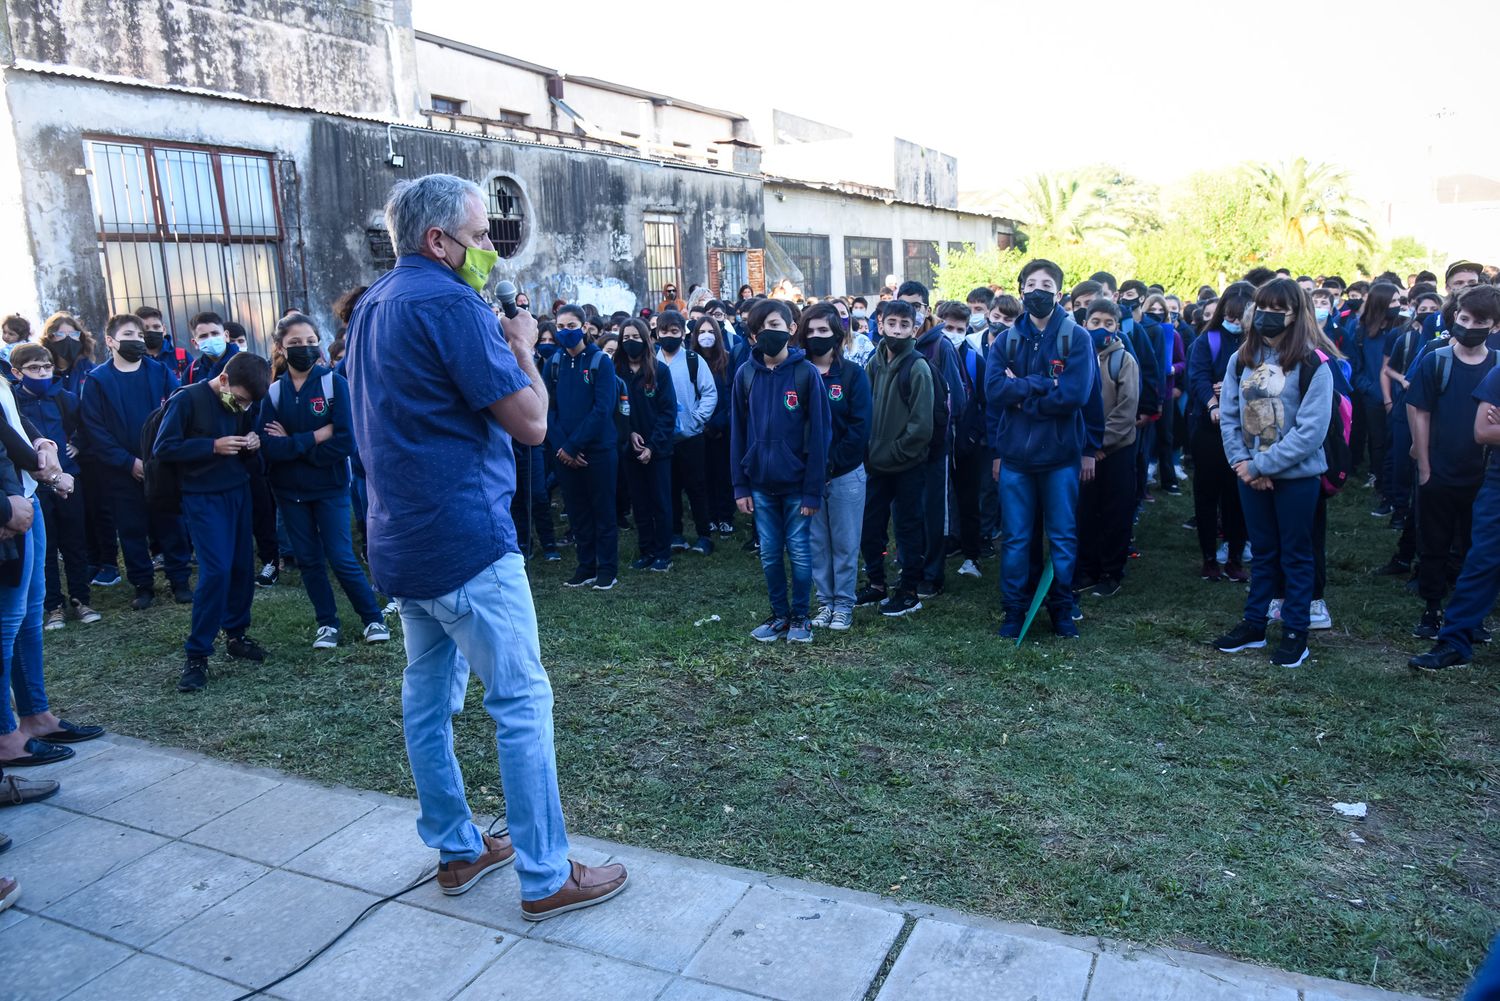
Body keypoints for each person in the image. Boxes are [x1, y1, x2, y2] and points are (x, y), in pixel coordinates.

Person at [345, 174, 626, 917]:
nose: (489, 255)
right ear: (437, 240)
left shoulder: (373, 303)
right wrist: (524, 347)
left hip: (399, 539)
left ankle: (458, 845)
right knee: (522, 700)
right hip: (466, 538)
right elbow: (532, 422)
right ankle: (546, 872)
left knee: (427, 702)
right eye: (478, 238)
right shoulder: (449, 302)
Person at [1212, 278, 1333, 669]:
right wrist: (1242, 464)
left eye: (1279, 309)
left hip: (1295, 477)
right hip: (1248, 472)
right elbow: (1229, 415)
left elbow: (1311, 431)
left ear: (1296, 313)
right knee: (1263, 553)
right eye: (1263, 307)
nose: (1268, 316)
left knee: (1296, 555)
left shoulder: (1314, 364)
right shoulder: (1241, 359)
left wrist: (1263, 465)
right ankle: (1254, 623)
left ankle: (1296, 633)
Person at [255, 312, 390, 649]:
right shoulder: (272, 393)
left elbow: (345, 440)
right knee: (309, 560)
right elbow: (270, 446)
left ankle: (373, 618)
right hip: (289, 491)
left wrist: (295, 444)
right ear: (281, 349)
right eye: (295, 343)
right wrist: (314, 437)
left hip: (329, 488)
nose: (304, 348)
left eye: (310, 342)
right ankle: (327, 623)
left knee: (341, 556)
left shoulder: (334, 384)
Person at [986, 259, 1095, 640]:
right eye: (1031, 284)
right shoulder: (1005, 340)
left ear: (1059, 292)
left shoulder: (1076, 338)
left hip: (1061, 457)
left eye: (1046, 284)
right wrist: (1043, 384)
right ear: (1020, 291)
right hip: (1016, 458)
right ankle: (1014, 609)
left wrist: (1024, 392)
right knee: (1016, 538)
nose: (1038, 291)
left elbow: (1075, 395)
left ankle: (1062, 607)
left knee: (1063, 536)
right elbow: (995, 391)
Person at [0, 368, 103, 770]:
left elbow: (10, 417)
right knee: (7, 620)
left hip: (24, 495)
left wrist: (42, 441)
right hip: (11, 503)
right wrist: (45, 468)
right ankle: (7, 734)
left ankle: (35, 716)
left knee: (29, 611)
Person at [155, 352, 273, 692]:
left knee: (240, 567)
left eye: (248, 403)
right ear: (223, 379)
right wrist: (211, 446)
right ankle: (197, 654)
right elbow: (165, 448)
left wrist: (253, 442)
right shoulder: (187, 399)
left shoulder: (243, 404)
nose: (241, 406)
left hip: (237, 490)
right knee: (216, 570)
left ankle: (236, 634)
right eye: (239, 399)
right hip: (202, 496)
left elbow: (247, 435)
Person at [1408, 287, 1500, 671]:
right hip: (1467, 474)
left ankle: (1464, 627)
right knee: (1471, 555)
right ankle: (1449, 632)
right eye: (1465, 319)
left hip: (1479, 475)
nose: (1471, 327)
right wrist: (1424, 463)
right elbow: (1485, 429)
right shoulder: (1441, 361)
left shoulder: (1493, 361)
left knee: (1472, 552)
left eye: (1481, 322)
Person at [730, 298, 831, 641]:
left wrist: (813, 488)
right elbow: (738, 432)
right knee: (771, 554)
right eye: (760, 329)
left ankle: (801, 616)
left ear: (790, 329)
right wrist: (740, 486)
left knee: (800, 552)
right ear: (753, 336)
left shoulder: (805, 374)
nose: (767, 333)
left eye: (775, 325)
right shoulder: (745, 375)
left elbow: (819, 434)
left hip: (797, 483)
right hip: (760, 483)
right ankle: (779, 616)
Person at [78, 314, 193, 610]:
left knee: (171, 524)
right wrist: (128, 462)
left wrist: (156, 460)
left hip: (162, 465)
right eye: (130, 334)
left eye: (140, 335)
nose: (137, 340)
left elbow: (178, 412)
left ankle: (180, 580)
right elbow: (95, 429)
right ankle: (143, 585)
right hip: (120, 471)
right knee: (130, 529)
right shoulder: (97, 381)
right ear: (111, 340)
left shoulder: (161, 372)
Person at [10, 344, 98, 629]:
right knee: (45, 547)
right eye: (34, 368)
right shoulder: (13, 402)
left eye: (47, 367)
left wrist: (76, 445)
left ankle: (81, 599)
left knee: (75, 540)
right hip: (34, 484)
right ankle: (53, 606)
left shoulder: (65, 398)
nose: (42, 373)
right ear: (16, 372)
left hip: (69, 477)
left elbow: (84, 427)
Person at [857, 300, 933, 617]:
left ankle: (909, 590)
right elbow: (861, 411)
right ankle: (876, 584)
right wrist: (869, 452)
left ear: (914, 328)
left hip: (907, 464)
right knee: (870, 525)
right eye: (892, 324)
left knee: (908, 527)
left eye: (905, 324)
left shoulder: (918, 367)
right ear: (880, 324)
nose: (897, 330)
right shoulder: (873, 364)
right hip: (875, 464)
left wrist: (895, 452)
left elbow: (921, 425)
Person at [798, 303, 868, 633]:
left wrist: (832, 462)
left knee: (844, 542)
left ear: (837, 334)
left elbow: (859, 426)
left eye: (823, 330)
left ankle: (843, 604)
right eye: (810, 331)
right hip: (806, 475)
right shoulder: (796, 372)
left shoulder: (853, 374)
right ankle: (824, 602)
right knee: (816, 542)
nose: (816, 337)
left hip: (845, 473)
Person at [546, 304, 620, 590]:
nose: (566, 332)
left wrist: (575, 444)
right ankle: (586, 566)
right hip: (564, 454)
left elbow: (603, 409)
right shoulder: (554, 363)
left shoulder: (601, 361)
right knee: (577, 512)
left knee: (602, 511)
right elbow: (547, 409)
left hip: (597, 451)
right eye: (561, 327)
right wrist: (563, 447)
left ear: (584, 327)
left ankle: (607, 568)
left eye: (572, 326)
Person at [901, 282, 965, 599]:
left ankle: (932, 573)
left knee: (933, 512)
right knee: (906, 510)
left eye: (916, 305)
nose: (909, 312)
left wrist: (934, 434)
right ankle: (910, 566)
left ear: (926, 309)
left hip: (933, 448)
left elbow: (959, 399)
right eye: (903, 304)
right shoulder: (887, 345)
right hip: (899, 449)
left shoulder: (941, 346)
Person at [1186, 282, 1254, 582]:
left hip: (1247, 430)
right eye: (1231, 315)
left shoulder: (1259, 343)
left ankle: (1236, 556)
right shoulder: (1208, 340)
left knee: (1238, 497)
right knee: (1206, 494)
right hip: (1209, 431)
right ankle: (1209, 558)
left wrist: (1233, 390)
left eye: (1242, 316)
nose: (1236, 322)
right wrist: (1215, 405)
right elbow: (1198, 377)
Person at [1075, 300, 1139, 597]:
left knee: (1115, 512)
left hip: (1115, 452)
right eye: (1095, 321)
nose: (1101, 328)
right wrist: (1086, 446)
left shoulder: (1123, 360)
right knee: (1085, 512)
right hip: (1083, 451)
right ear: (1085, 323)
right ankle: (1087, 569)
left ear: (1117, 327)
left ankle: (1112, 571)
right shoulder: (1076, 357)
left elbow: (1127, 410)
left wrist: (1099, 444)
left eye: (1108, 323)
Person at [654, 309, 718, 555]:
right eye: (664, 331)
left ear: (683, 333)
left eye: (674, 331)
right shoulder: (652, 361)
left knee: (697, 486)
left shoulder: (693, 360)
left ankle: (704, 535)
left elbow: (709, 392)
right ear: (657, 333)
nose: (668, 336)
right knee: (668, 487)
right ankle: (675, 533)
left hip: (691, 437)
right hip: (661, 437)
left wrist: (697, 419)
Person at [617, 318, 677, 572]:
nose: (631, 342)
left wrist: (652, 445)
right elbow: (614, 409)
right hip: (629, 449)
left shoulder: (659, 371)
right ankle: (646, 550)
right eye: (626, 338)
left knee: (660, 502)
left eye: (635, 337)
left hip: (658, 450)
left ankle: (664, 552)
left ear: (646, 338)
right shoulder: (615, 371)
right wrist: (629, 434)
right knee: (639, 502)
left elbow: (668, 412)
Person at [1347, 282, 1404, 505]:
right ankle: (1379, 480)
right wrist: (1373, 390)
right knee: (1377, 442)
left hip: (1399, 396)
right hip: (1372, 397)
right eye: (1394, 301)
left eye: (1400, 300)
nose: (1398, 306)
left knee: (1396, 442)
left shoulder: (1402, 328)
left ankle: (1394, 485)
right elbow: (1355, 368)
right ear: (1381, 303)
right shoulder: (1360, 331)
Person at [691, 315, 736, 535]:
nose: (706, 336)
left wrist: (718, 424)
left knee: (723, 474)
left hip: (722, 429)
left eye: (710, 332)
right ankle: (708, 516)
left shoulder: (727, 361)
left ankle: (725, 516)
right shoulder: (690, 361)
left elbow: (732, 397)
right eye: (701, 332)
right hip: (697, 428)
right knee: (702, 474)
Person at [38, 312, 94, 397]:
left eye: (74, 334)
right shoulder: (42, 372)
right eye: (60, 334)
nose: (68, 339)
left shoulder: (90, 371)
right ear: (49, 339)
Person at [135, 305, 190, 380]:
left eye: (156, 327)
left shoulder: (182, 356)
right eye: (145, 328)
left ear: (164, 329)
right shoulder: (132, 360)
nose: (152, 331)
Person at [184, 312, 238, 384]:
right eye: (203, 336)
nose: (211, 339)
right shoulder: (192, 371)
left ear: (226, 336)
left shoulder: (245, 363)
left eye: (215, 333)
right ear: (195, 343)